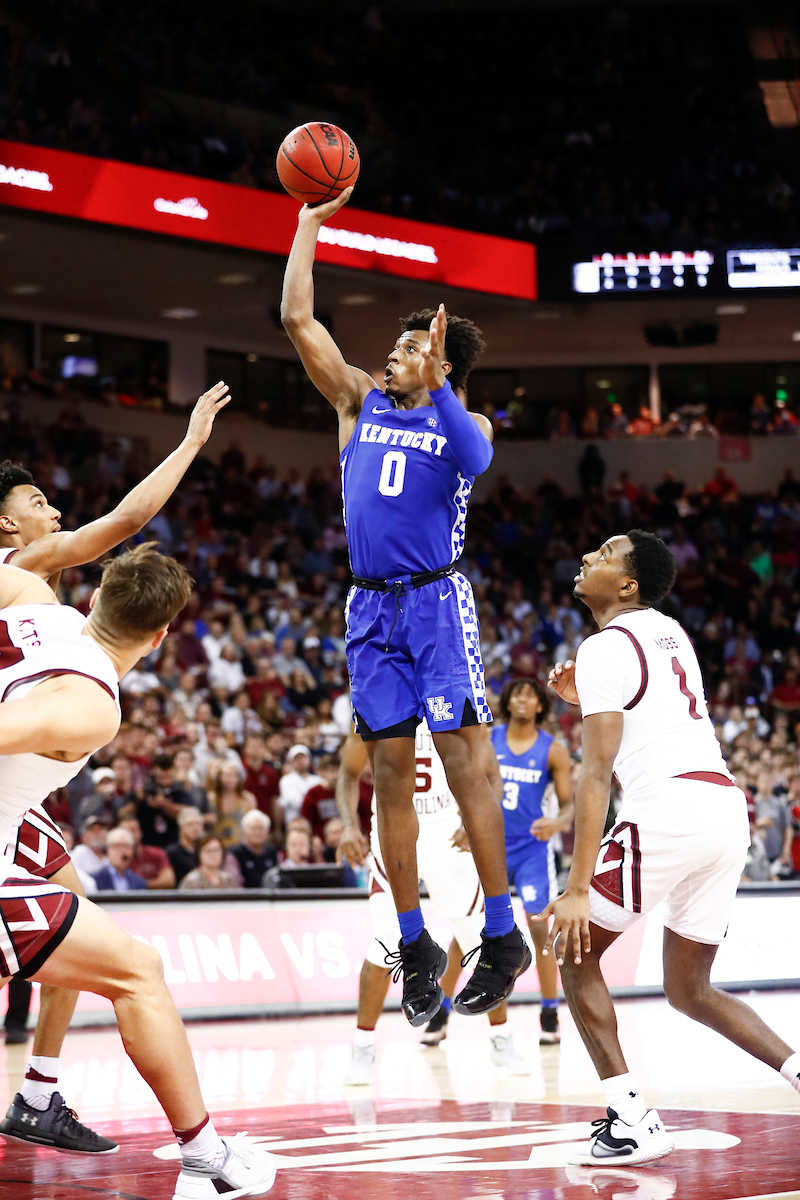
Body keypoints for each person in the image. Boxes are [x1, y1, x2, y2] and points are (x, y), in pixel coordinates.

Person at [281, 189, 529, 1025]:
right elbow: (297, 320)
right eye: (393, 347)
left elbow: (477, 459)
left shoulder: (467, 420)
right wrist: (310, 224)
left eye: (408, 349)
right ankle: (415, 940)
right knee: (388, 773)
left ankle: (500, 933)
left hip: (435, 601)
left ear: (438, 364)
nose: (389, 357)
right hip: (368, 610)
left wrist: (442, 383)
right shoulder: (358, 401)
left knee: (465, 765)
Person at [0, 548, 275, 1195]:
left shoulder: (35, 605)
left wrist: (188, 446)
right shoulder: (92, 703)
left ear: (95, 595)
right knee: (138, 972)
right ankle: (207, 1161)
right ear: (160, 639)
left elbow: (117, 526)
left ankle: (43, 1095)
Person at [0, 383, 229, 1154]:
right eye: (37, 501)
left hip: (22, 752)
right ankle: (41, 1091)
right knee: (85, 928)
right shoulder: (22, 568)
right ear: (8, 525)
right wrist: (192, 443)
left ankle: (38, 1091)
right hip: (21, 744)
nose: (55, 514)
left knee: (69, 895)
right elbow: (127, 523)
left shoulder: (35, 589)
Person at [541, 529, 800, 1167]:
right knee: (689, 989)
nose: (587, 558)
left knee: (571, 948)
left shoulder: (603, 647)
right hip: (722, 809)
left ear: (627, 585)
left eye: (603, 554)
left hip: (668, 810)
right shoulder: (668, 632)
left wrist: (575, 890)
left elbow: (596, 773)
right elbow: (650, 709)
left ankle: (631, 1119)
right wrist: (591, 695)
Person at [338, 725, 529, 1085]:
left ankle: (500, 1037)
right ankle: (362, 1045)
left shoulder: (448, 694)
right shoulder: (379, 699)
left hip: (447, 837)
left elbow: (491, 776)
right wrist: (349, 825)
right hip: (391, 834)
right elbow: (348, 774)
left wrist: (475, 820)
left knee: (484, 942)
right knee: (385, 943)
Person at [488, 678, 573, 1045]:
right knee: (473, 925)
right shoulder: (488, 737)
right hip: (488, 846)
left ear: (540, 706)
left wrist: (557, 822)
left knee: (539, 930)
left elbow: (571, 804)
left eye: (531, 695)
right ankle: (442, 1012)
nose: (523, 699)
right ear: (508, 701)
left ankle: (550, 1009)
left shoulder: (553, 750)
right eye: (518, 693)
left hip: (531, 851)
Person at [229, 809, 277, 887]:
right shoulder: (236, 854)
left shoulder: (272, 852)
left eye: (261, 828)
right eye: (254, 828)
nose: (258, 832)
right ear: (245, 831)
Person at [167, 806, 204, 886]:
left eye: (198, 824)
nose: (195, 828)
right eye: (189, 824)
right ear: (181, 828)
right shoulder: (173, 853)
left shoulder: (204, 850)